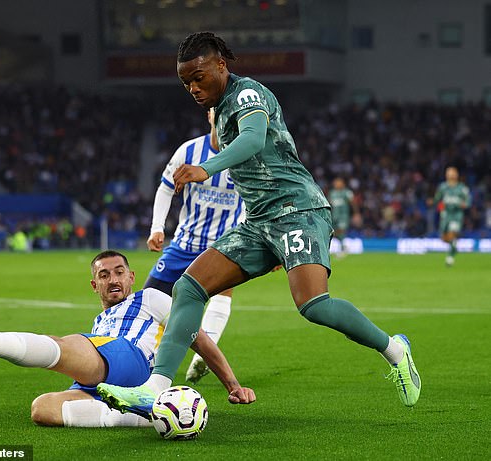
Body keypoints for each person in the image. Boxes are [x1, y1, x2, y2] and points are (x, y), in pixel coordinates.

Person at [97, 32, 421, 419]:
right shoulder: (219, 108)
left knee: (314, 305)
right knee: (189, 287)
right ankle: (155, 388)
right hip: (259, 220)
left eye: (199, 77)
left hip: (297, 209)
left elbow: (252, 140)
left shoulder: (249, 94)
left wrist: (206, 168)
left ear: (221, 65)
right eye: (186, 83)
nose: (194, 88)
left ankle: (395, 350)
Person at [0, 250, 255, 428]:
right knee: (43, 409)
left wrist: (233, 384)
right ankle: (140, 417)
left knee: (63, 345)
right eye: (104, 275)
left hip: (134, 361)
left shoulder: (150, 298)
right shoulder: (100, 320)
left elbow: (197, 337)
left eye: (119, 272)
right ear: (95, 285)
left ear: (132, 276)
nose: (113, 280)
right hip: (103, 374)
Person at [145, 107, 245, 383]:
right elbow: (166, 187)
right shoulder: (188, 151)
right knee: (148, 298)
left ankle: (204, 355)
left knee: (223, 291)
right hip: (184, 242)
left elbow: (254, 200)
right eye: (219, 111)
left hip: (223, 244)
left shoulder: (244, 156)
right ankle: (142, 354)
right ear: (210, 116)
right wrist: (157, 228)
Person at [428, 166, 471, 267]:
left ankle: (450, 258)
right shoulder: (442, 187)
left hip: (456, 215)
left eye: (452, 172)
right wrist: (432, 202)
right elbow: (437, 199)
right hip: (445, 215)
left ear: (456, 175)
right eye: (448, 172)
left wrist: (464, 204)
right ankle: (454, 247)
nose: (450, 174)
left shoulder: (462, 188)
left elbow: (468, 202)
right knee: (443, 238)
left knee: (452, 234)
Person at [328, 177, 355, 257]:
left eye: (338, 182)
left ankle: (343, 249)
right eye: (335, 183)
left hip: (343, 216)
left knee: (341, 230)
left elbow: (353, 204)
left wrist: (355, 214)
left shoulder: (347, 192)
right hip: (334, 216)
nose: (336, 184)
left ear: (342, 183)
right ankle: (342, 247)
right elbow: (329, 204)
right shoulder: (332, 193)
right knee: (334, 232)